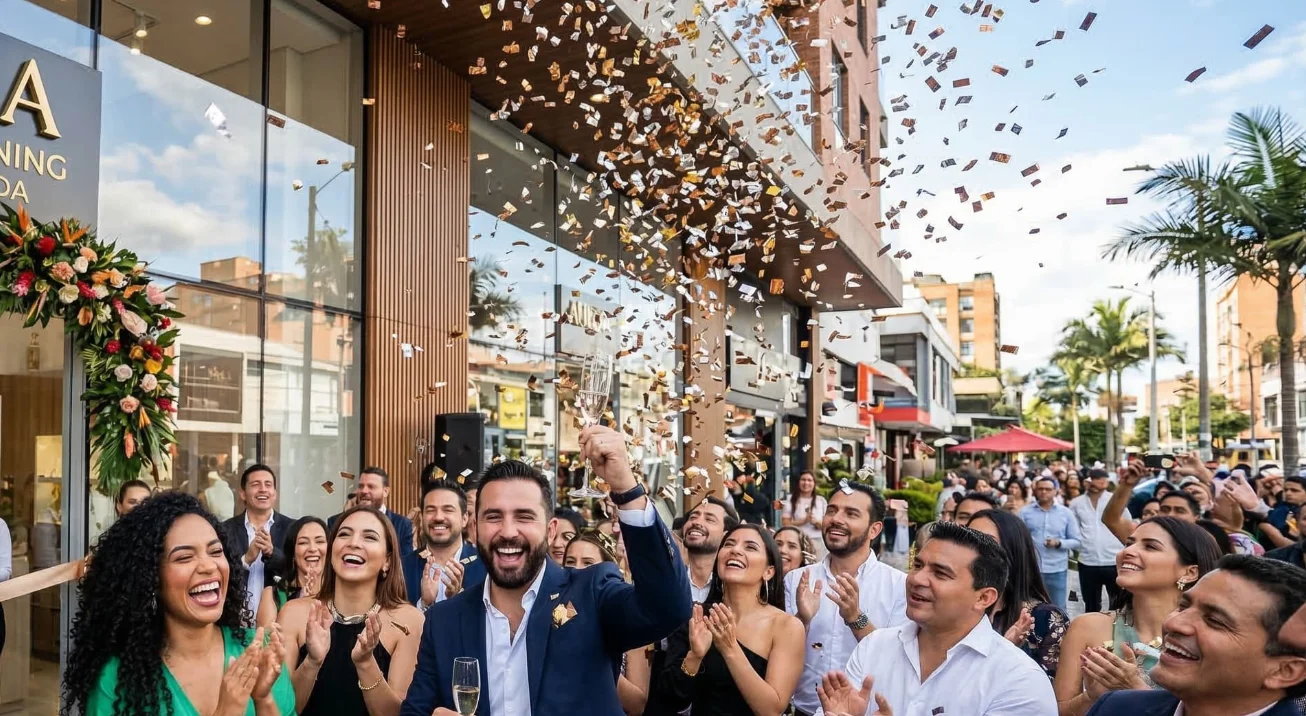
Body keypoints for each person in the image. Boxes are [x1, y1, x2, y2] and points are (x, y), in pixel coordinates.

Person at [399, 425, 691, 716]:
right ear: (475, 526)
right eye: (493, 516)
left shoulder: (591, 594)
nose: (508, 531)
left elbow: (668, 607)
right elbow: (416, 710)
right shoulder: (444, 620)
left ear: (551, 531)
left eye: (524, 516)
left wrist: (627, 489)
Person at [62, 491, 295, 716]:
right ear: (150, 578)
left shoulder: (261, 652)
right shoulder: (116, 679)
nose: (208, 566)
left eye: (215, 551)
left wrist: (264, 700)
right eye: (184, 557)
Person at [816, 522, 1057, 715]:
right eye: (917, 565)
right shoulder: (874, 646)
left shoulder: (1018, 680)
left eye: (940, 573)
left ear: (984, 597)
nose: (917, 579)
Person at [1086, 555, 1306, 716]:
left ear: (1285, 671)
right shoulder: (1117, 708)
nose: (1173, 623)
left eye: (1215, 621)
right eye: (1182, 607)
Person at [1053, 517, 1222, 716]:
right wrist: (1090, 698)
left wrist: (1134, 690)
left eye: (1150, 547)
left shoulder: (1208, 638)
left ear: (1190, 572)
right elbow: (1057, 711)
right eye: (1128, 543)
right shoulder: (1087, 627)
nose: (1128, 552)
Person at [279, 505, 424, 716]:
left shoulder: (408, 621)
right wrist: (312, 662)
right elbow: (279, 710)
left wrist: (366, 663)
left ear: (388, 560)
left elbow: (399, 714)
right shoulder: (294, 613)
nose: (353, 543)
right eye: (344, 534)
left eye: (369, 537)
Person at [784, 481, 908, 716]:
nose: (836, 519)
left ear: (874, 529)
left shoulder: (898, 585)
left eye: (851, 513)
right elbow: (782, 651)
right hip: (804, 710)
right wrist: (803, 619)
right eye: (832, 510)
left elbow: (897, 660)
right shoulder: (797, 579)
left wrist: (855, 618)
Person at [657, 524, 804, 714]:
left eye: (750, 547)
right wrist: (694, 657)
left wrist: (729, 648)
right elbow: (670, 700)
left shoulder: (787, 626)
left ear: (769, 571)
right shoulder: (698, 616)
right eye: (729, 544)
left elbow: (771, 710)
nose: (735, 550)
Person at [968, 509, 1069, 679]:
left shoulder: (1045, 619)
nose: (972, 551)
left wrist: (1005, 653)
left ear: (1012, 551)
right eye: (967, 540)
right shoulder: (951, 608)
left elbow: (1047, 695)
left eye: (986, 542)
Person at [563, 535, 654, 716]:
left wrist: (596, 662)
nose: (577, 569)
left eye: (588, 562)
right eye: (570, 561)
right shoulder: (556, 613)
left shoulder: (625, 617)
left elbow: (637, 704)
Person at [223, 464, 293, 621]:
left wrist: (271, 552)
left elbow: (294, 572)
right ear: (242, 493)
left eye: (268, 485)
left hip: (279, 623)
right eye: (255, 484)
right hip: (234, 623)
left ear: (274, 493)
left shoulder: (291, 528)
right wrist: (246, 559)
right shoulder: (225, 530)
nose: (263, 489)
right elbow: (220, 575)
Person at [401, 479, 485, 610]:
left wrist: (457, 601)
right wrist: (424, 604)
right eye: (430, 510)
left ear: (464, 518)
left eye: (448, 510)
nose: (438, 517)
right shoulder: (402, 568)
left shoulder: (484, 566)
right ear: (422, 518)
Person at [1071, 468, 1129, 614]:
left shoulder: (1114, 500)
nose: (1095, 483)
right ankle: (1091, 632)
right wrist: (1081, 547)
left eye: (1100, 480)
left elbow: (1127, 524)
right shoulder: (1077, 503)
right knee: (1091, 604)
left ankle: (1115, 632)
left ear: (1105, 482)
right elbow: (1073, 528)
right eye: (1093, 479)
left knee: (1117, 603)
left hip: (1112, 560)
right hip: (1087, 561)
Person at [256, 516, 328, 628]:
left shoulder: (339, 594)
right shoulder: (273, 595)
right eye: (303, 543)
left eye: (320, 541)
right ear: (292, 552)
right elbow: (265, 642)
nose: (313, 548)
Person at [1021, 477, 1082, 610]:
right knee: (1031, 607)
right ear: (1035, 491)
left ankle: (1060, 631)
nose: (1044, 492)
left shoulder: (1066, 513)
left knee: (1058, 607)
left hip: (1057, 569)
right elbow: (1018, 538)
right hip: (1032, 568)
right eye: (1040, 489)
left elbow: (1077, 541)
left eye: (1048, 489)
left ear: (1055, 491)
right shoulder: (1025, 512)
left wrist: (1059, 543)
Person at [330, 467, 414, 557]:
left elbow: (404, 565)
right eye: (361, 486)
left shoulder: (402, 525)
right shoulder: (335, 522)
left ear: (385, 491)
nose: (364, 491)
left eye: (371, 487)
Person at [683, 496, 740, 603]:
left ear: (726, 535)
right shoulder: (668, 577)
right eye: (693, 517)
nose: (696, 522)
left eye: (709, 519)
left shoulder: (734, 586)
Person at [783, 470, 828, 559]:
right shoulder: (790, 500)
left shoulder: (821, 501)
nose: (806, 483)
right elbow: (785, 523)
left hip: (817, 542)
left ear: (814, 483)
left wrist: (816, 522)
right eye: (803, 480)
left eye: (809, 480)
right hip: (797, 541)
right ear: (798, 482)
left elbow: (827, 525)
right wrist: (803, 521)